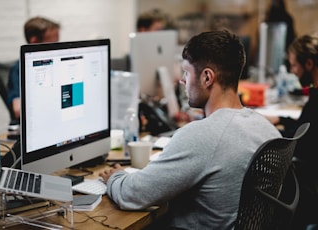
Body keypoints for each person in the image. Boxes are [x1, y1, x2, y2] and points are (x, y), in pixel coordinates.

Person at [99, 30, 281, 229]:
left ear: (207, 77)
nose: (182, 81)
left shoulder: (201, 136)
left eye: (186, 72)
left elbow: (132, 194)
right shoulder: (267, 129)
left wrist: (114, 177)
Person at [266, 33, 318, 230]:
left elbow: (302, 142)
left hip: (308, 188)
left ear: (309, 64)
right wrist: (282, 120)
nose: (293, 72)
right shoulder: (315, 98)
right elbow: (309, 127)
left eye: (294, 65)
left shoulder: (316, 101)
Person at [7, 16, 60, 123]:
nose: (57, 47)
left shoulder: (55, 63)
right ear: (34, 42)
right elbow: (18, 110)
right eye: (52, 43)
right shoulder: (19, 70)